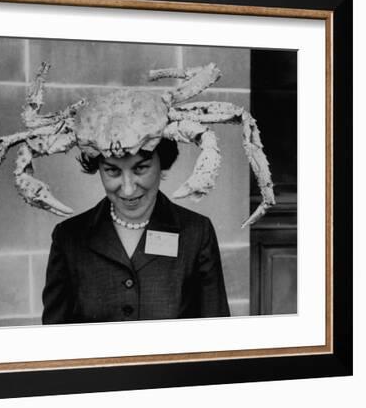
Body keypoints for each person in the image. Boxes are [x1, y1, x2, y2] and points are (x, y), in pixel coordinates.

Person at [42, 137, 230, 324]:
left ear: (161, 162)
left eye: (140, 168)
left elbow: (217, 335)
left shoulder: (196, 232)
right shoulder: (68, 237)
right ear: (98, 168)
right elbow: (53, 340)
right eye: (112, 170)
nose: (128, 189)